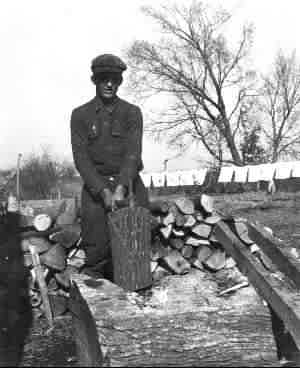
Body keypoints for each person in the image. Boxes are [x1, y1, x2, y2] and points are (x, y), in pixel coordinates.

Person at [70, 54, 149, 279]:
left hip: (129, 185)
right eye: (104, 78)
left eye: (114, 79)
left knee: (135, 257)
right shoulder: (80, 115)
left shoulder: (132, 113)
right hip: (96, 189)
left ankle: (136, 307)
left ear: (120, 82)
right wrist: (103, 191)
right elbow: (81, 159)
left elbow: (133, 154)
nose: (109, 84)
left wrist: (122, 188)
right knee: (96, 254)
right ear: (94, 80)